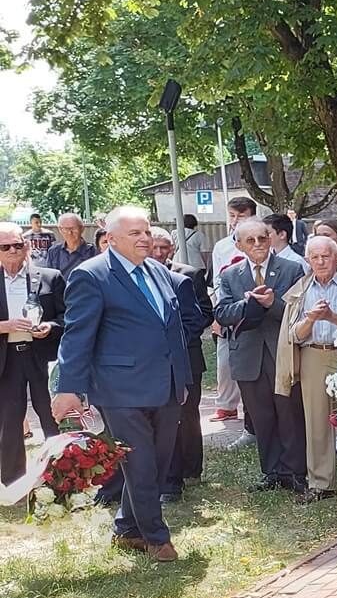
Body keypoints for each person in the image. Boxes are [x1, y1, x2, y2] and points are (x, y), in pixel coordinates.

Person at [53, 206, 200, 562]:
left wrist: (182, 377)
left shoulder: (158, 271)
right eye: (135, 233)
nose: (145, 238)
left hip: (167, 386)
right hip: (120, 389)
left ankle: (126, 529)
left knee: (159, 463)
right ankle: (157, 538)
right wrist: (68, 388)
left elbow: (172, 328)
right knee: (141, 463)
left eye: (147, 231)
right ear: (112, 238)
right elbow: (77, 336)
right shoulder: (91, 275)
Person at [215, 219, 307, 493]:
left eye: (262, 238)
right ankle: (272, 471)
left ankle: (295, 472)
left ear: (270, 239)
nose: (258, 244)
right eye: (250, 240)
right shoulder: (230, 275)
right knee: (261, 417)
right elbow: (222, 314)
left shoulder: (291, 269)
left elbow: (299, 312)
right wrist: (248, 304)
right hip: (247, 356)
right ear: (239, 245)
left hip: (282, 352)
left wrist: (272, 304)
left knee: (289, 414)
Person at [275, 235, 337, 502]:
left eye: (326, 256)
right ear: (308, 261)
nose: (320, 262)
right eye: (314, 257)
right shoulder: (300, 290)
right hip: (312, 355)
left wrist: (333, 318)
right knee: (316, 420)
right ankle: (321, 482)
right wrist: (311, 320)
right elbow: (293, 334)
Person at [149, 228, 210, 501]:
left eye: (164, 247)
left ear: (172, 248)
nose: (159, 252)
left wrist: (174, 340)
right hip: (153, 364)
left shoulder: (188, 276)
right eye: (154, 247)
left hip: (187, 358)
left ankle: (191, 468)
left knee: (188, 416)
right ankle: (169, 475)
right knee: (164, 418)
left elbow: (202, 314)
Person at [0, 223, 62, 482]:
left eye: (18, 245)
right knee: (9, 421)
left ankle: (62, 476)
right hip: (7, 359)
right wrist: (4, 326)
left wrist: (50, 327)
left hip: (41, 356)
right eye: (5, 247)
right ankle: (13, 481)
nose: (13, 250)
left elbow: (68, 316)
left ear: (26, 246)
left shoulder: (50, 277)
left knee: (52, 416)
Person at [207, 197, 259, 422]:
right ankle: (226, 405)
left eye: (242, 216)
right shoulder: (222, 246)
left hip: (254, 307)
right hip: (229, 308)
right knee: (225, 360)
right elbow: (217, 282)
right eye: (232, 216)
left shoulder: (260, 241)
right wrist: (217, 314)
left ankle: (252, 408)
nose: (236, 220)